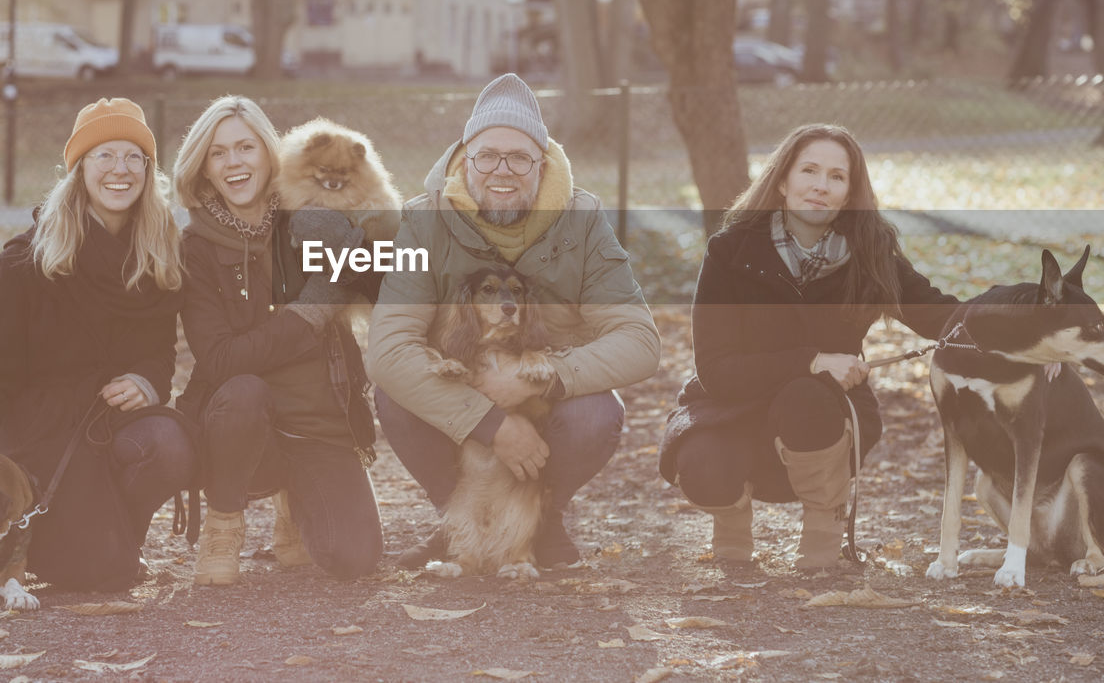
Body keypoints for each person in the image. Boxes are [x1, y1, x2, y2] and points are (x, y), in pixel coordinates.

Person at [368, 73, 661, 567]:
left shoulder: (582, 220)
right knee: (394, 395)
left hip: (546, 402)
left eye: (520, 157)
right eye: (487, 155)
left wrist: (540, 380)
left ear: (541, 165)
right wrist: (490, 420)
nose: (502, 170)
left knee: (597, 415)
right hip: (459, 393)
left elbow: (639, 341)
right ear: (465, 160)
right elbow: (389, 351)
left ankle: (542, 520)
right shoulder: (423, 222)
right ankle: (455, 521)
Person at [659, 123, 958, 570]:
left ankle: (824, 522)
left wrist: (1024, 317)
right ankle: (732, 523)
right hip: (732, 411)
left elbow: (940, 315)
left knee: (805, 397)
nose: (821, 186)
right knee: (701, 461)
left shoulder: (870, 253)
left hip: (824, 424)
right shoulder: (730, 251)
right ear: (782, 181)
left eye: (837, 177)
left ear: (849, 193)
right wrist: (814, 360)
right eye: (810, 171)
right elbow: (715, 370)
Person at [0, 97, 196, 590]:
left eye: (134, 156)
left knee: (170, 445)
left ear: (148, 169)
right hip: (41, 433)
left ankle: (116, 539)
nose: (121, 169)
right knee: (90, 573)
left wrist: (147, 380)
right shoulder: (24, 263)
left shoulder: (159, 255)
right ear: (78, 169)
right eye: (104, 155)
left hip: (109, 423)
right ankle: (78, 544)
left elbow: (159, 353)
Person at [171, 95, 382, 584]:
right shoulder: (195, 249)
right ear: (204, 168)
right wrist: (311, 310)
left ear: (270, 154)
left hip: (317, 420)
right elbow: (221, 360)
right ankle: (225, 521)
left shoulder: (312, 217)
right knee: (244, 390)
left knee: (356, 558)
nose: (234, 162)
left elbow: (380, 282)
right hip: (241, 424)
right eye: (218, 153)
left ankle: (297, 503)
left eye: (246, 147)